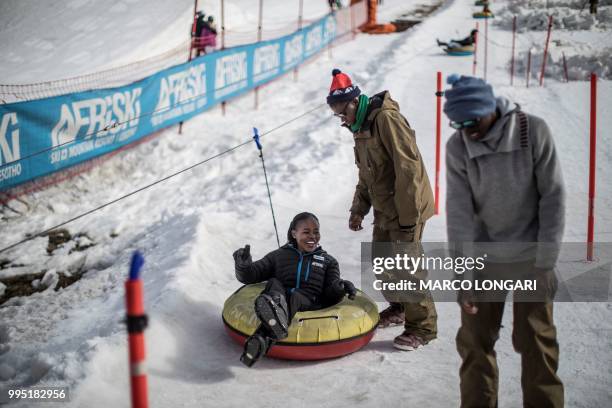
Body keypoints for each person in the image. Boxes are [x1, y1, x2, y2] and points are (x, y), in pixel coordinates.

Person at [443, 74, 565, 407]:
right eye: (458, 123)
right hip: (484, 260)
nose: (468, 129)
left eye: (472, 120)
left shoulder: (533, 131)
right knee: (474, 344)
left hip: (531, 257)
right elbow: (459, 215)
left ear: (490, 109)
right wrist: (464, 277)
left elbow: (552, 197)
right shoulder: (458, 146)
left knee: (536, 342)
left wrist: (546, 262)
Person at [326, 69, 437, 351]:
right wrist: (358, 209)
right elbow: (367, 174)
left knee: (407, 268)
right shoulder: (359, 128)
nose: (342, 120)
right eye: (338, 115)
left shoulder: (386, 119)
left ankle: (422, 328)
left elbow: (408, 167)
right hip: (386, 207)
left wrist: (409, 218)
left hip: (406, 207)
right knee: (383, 263)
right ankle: (400, 308)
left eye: (343, 113)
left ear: (354, 103)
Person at [233, 212, 357, 367]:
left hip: (310, 301)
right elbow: (251, 275)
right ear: (294, 233)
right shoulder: (279, 255)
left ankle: (265, 334)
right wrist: (243, 265)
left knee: (295, 296)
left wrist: (341, 287)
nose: (312, 236)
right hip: (281, 299)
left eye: (316, 232)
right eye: (306, 232)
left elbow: (330, 292)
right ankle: (272, 318)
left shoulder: (328, 261)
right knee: (274, 283)